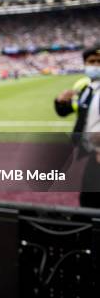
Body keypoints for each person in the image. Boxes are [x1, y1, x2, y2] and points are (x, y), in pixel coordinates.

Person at [55, 45, 100, 207]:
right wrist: (60, 102)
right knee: (88, 196)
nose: (95, 65)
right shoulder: (86, 88)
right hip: (86, 149)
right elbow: (74, 110)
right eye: (91, 61)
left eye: (99, 61)